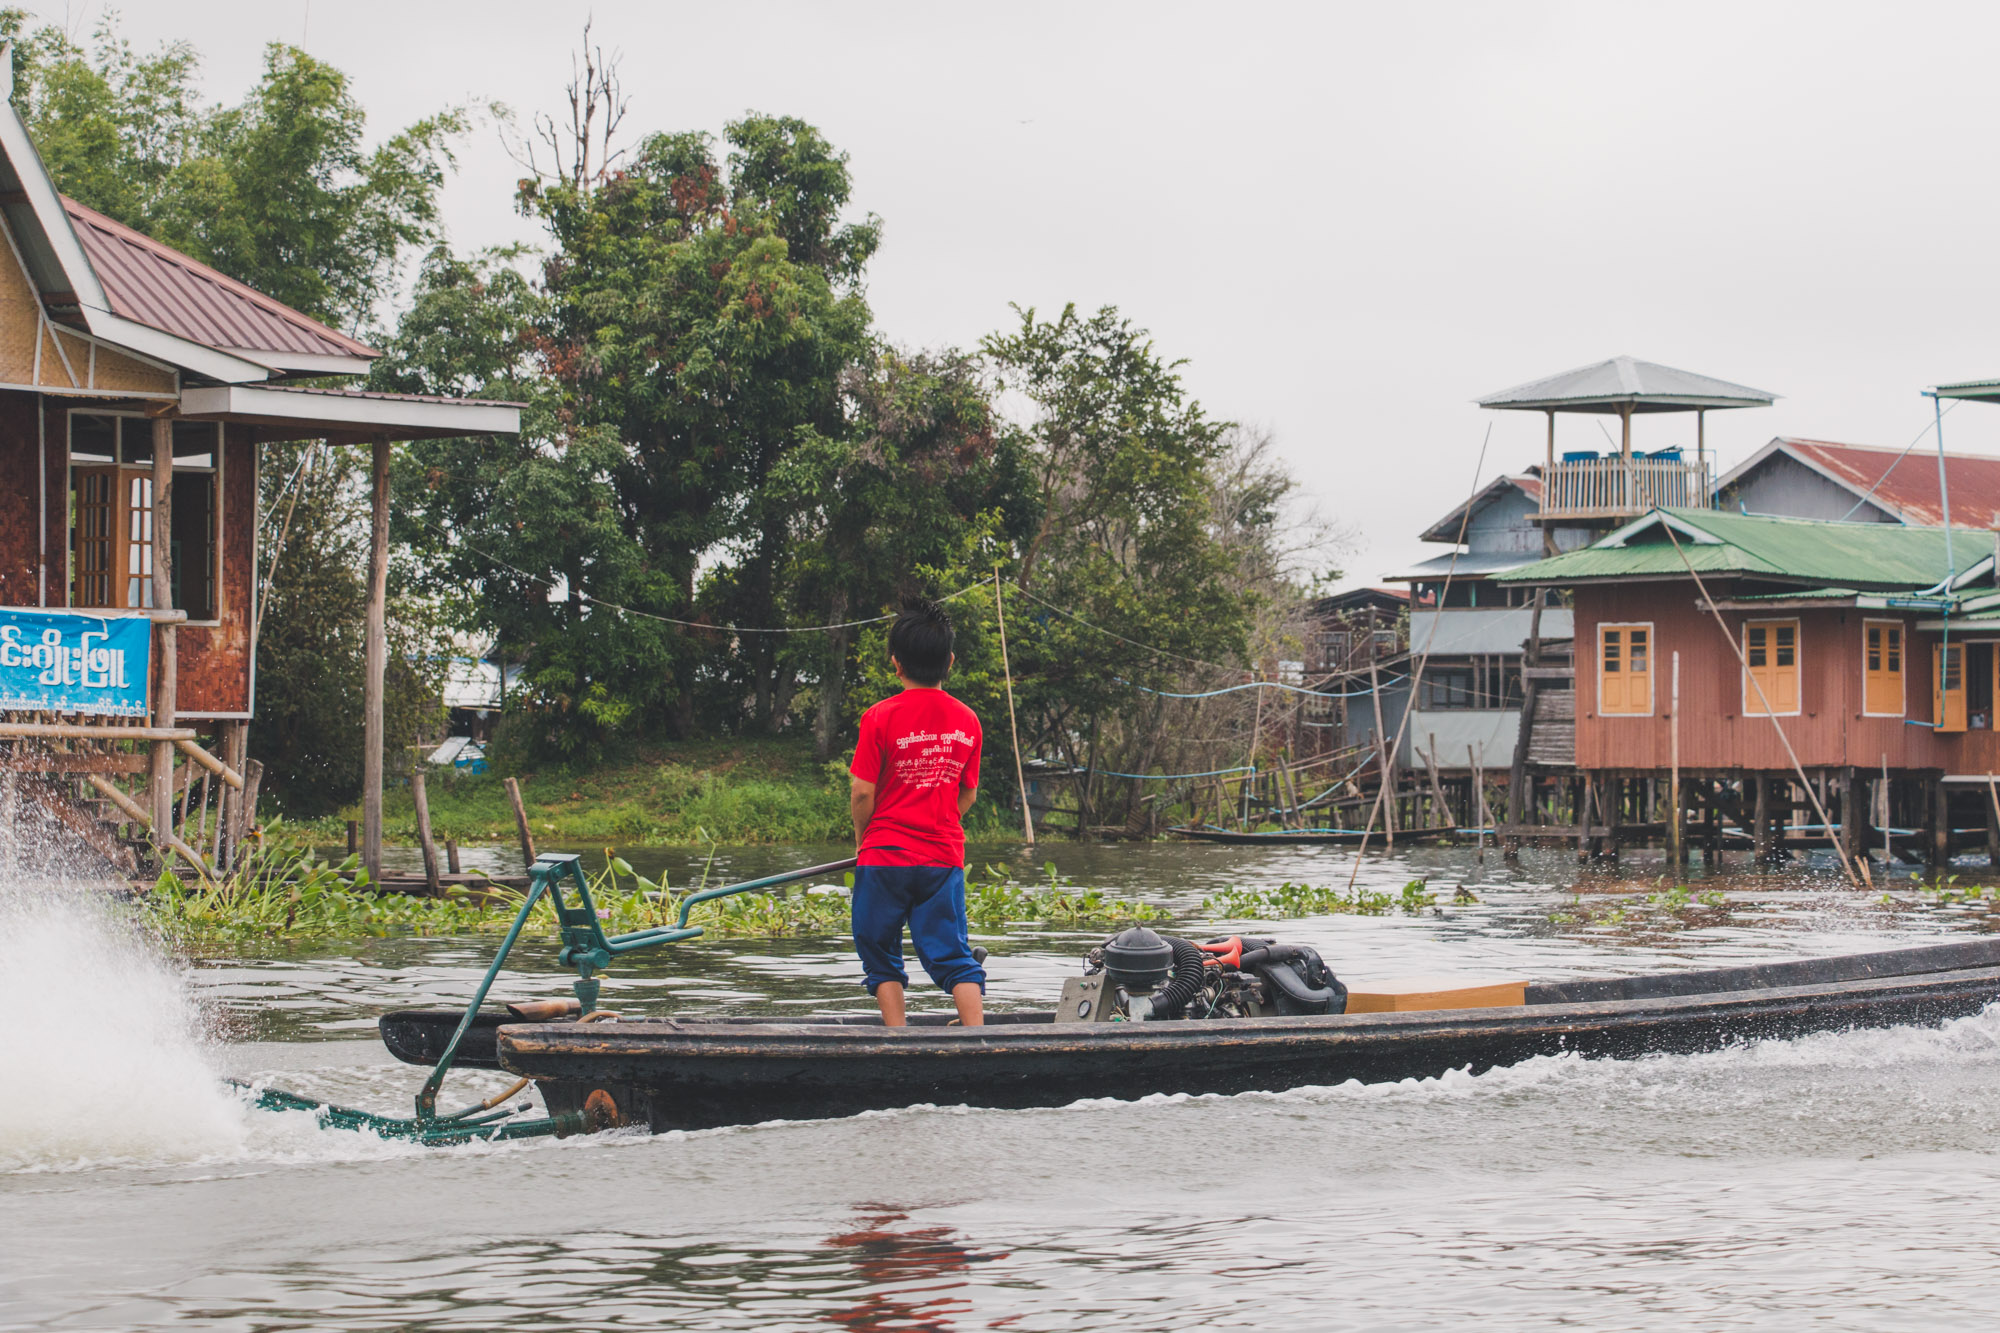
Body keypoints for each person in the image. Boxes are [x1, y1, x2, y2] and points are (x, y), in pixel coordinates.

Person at [847, 598, 986, 1027]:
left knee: (879, 949)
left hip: (884, 857)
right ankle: (976, 1036)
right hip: (942, 858)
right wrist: (941, 821)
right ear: (950, 661)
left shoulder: (879, 717)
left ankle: (898, 1036)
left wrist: (864, 841)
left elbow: (861, 794)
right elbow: (968, 795)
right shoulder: (968, 720)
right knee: (952, 952)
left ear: (895, 663)